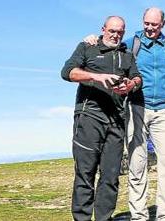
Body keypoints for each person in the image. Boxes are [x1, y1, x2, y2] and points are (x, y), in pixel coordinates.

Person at [83, 7, 165, 221]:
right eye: (147, 23)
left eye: (154, 24)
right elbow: (109, 42)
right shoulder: (132, 44)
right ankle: (139, 215)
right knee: (137, 163)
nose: (150, 28)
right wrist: (91, 38)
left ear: (163, 24)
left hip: (163, 108)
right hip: (136, 106)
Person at [61, 16, 142, 221]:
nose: (116, 35)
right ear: (103, 29)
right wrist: (95, 76)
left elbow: (137, 77)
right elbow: (67, 72)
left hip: (116, 119)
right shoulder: (88, 47)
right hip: (89, 116)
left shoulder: (127, 55)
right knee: (85, 173)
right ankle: (82, 218)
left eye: (120, 32)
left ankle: (104, 218)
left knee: (111, 176)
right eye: (112, 30)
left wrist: (131, 85)